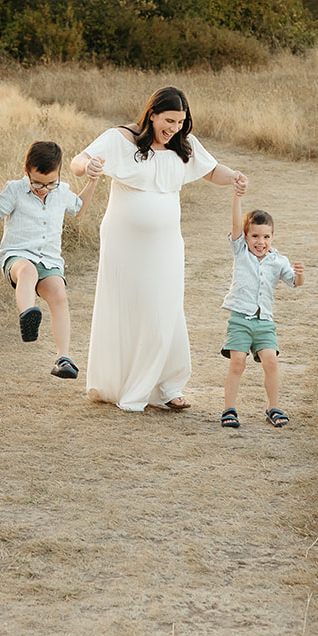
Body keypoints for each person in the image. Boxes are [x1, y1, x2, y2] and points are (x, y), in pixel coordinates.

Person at [71, 86, 248, 413]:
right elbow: (78, 161)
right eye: (169, 120)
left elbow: (211, 170)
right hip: (124, 242)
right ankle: (124, 383)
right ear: (151, 114)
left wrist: (234, 177)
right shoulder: (120, 139)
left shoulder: (184, 145)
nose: (174, 128)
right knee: (130, 306)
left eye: (180, 122)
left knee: (165, 307)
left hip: (166, 245)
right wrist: (88, 167)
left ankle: (168, 384)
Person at [0, 140, 103, 380]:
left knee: (59, 294)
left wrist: (92, 181)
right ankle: (28, 316)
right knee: (27, 272)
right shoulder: (15, 189)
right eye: (36, 182)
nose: (43, 188)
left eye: (50, 183)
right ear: (26, 171)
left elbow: (78, 209)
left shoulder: (62, 191)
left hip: (49, 260)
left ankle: (63, 358)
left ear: (59, 174)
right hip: (17, 255)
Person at [220, 181, 305, 429]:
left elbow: (296, 283)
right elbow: (236, 223)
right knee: (238, 362)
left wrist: (300, 273)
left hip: (264, 321)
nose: (260, 241)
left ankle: (273, 407)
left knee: (271, 361)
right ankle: (229, 410)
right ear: (245, 237)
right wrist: (237, 197)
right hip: (240, 320)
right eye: (255, 236)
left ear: (272, 237)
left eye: (266, 236)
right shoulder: (241, 252)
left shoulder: (278, 260)